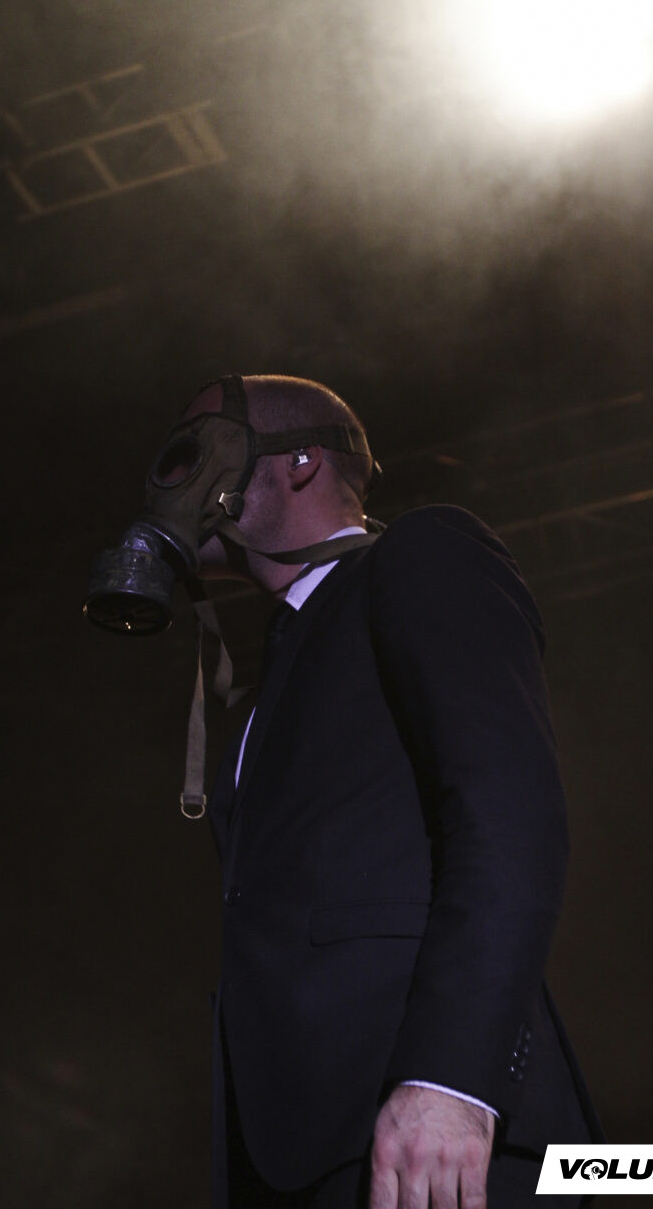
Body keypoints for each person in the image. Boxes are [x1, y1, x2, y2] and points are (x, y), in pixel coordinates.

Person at [179, 373, 601, 1208]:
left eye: (199, 454)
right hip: (309, 1155)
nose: (176, 483)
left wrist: (453, 1080)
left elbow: (507, 815)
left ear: (299, 462)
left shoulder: (420, 553)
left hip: (433, 1143)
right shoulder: (277, 673)